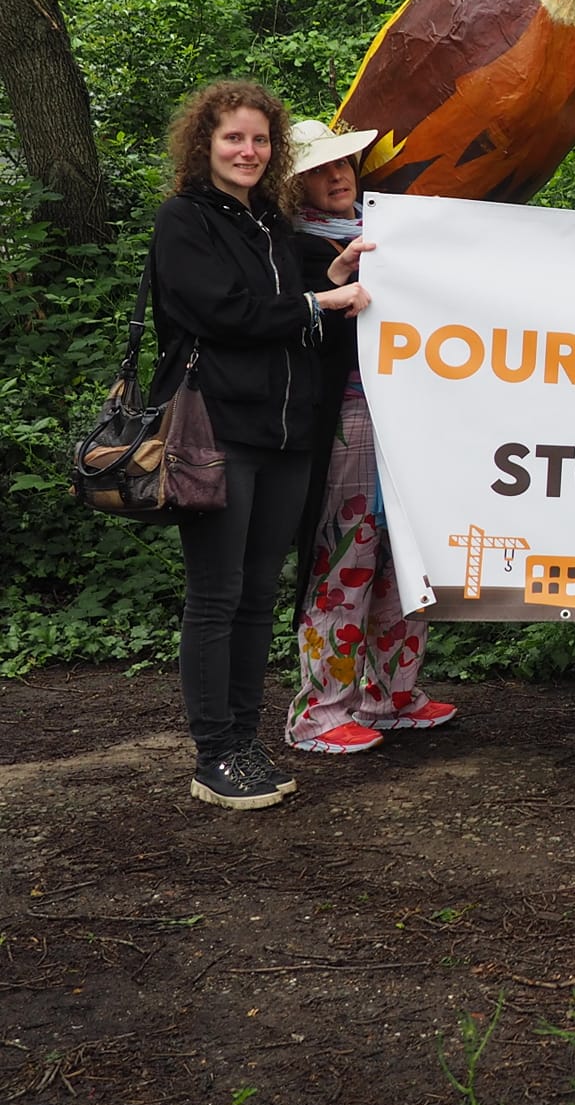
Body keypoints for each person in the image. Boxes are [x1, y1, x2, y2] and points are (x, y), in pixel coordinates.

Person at [152, 82, 370, 809]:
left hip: (287, 435)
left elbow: (293, 322)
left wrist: (330, 280)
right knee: (216, 595)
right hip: (216, 431)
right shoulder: (183, 220)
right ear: (204, 144)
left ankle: (243, 742)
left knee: (257, 596)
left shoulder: (273, 224)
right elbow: (224, 314)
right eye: (233, 138)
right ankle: (214, 753)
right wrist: (317, 300)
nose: (248, 151)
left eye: (260, 140)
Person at [284, 120, 457, 754]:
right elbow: (295, 337)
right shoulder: (288, 248)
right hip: (347, 417)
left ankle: (392, 695)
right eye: (318, 169)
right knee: (344, 555)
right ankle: (320, 712)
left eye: (343, 164)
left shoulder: (394, 233)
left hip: (411, 417)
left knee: (407, 556)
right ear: (294, 183)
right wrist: (332, 286)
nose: (336, 176)